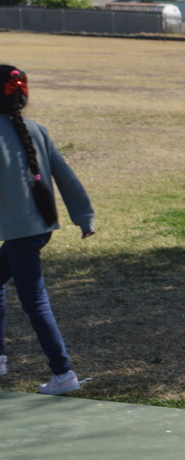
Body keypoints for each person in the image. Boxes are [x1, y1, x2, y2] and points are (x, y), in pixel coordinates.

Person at [0, 65, 95, 395]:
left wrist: (84, 217)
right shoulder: (36, 129)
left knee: (35, 302)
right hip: (39, 228)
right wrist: (84, 217)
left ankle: (63, 373)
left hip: (22, 233)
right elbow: (67, 177)